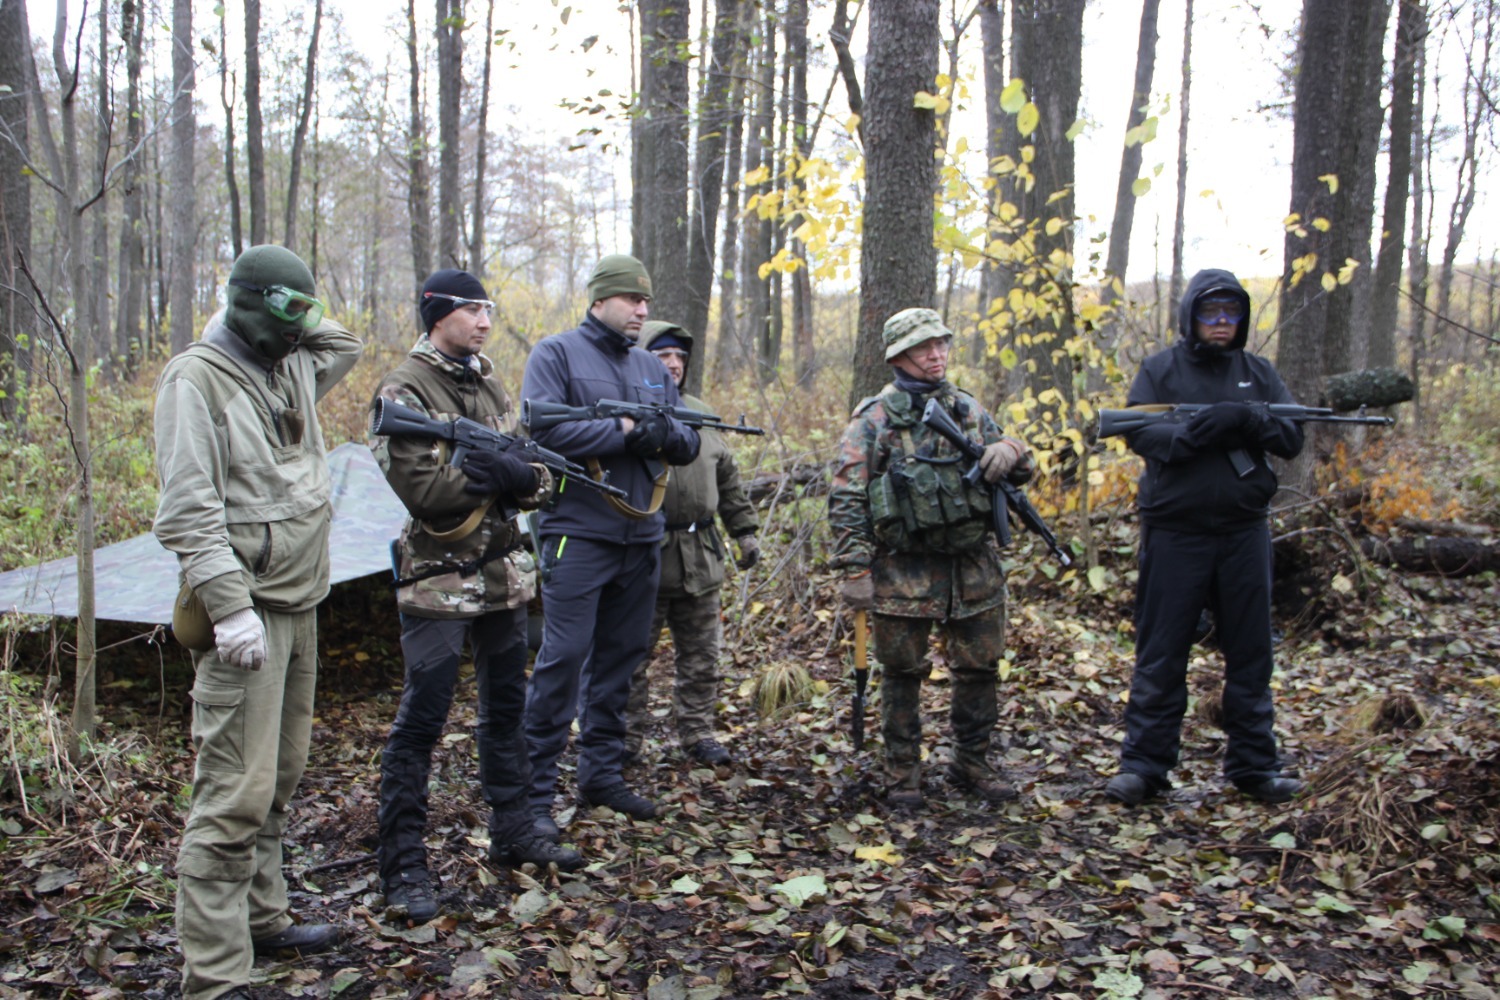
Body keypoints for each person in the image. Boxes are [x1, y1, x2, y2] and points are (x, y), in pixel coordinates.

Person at [153, 245, 362, 1000]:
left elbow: (347, 344)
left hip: (301, 599)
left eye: (306, 311)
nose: (305, 326)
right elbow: (186, 511)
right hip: (248, 613)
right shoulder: (196, 380)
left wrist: (300, 314)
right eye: (288, 310)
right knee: (233, 792)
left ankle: (263, 919)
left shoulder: (296, 362)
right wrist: (229, 607)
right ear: (249, 306)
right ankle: (213, 974)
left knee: (279, 778)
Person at [370, 270, 585, 924]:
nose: (484, 320)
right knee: (424, 715)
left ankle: (515, 824)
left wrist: (520, 475)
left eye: (487, 309)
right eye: (470, 310)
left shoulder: (490, 381)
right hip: (438, 578)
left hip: (502, 575)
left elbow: (539, 478)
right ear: (437, 315)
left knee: (505, 705)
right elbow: (423, 491)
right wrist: (489, 474)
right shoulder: (404, 387)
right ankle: (403, 859)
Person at [1104, 268, 1305, 807]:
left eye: (1231, 313)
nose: (1221, 322)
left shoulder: (1258, 374)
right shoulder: (1160, 370)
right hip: (1176, 533)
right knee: (1162, 651)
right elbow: (1134, 429)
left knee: (1251, 652)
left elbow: (1291, 436)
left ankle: (1255, 766)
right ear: (1191, 315)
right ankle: (1144, 767)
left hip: (1243, 533)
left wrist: (1245, 420)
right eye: (1211, 312)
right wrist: (1192, 434)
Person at [520, 255, 700, 836]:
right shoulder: (556, 354)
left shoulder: (651, 365)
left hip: (641, 534)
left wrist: (662, 432)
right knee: (564, 659)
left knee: (622, 660)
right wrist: (625, 432)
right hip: (578, 532)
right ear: (599, 300)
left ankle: (601, 773)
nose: (642, 311)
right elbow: (545, 430)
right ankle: (533, 796)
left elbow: (687, 440)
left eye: (645, 302)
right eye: (631, 301)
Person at [828, 308, 1034, 809]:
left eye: (941, 344)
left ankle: (972, 761)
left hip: (972, 567)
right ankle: (902, 772)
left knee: (981, 668)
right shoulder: (875, 418)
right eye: (924, 348)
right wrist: (855, 570)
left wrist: (1011, 449)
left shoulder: (966, 409)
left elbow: (1018, 467)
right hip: (904, 569)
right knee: (901, 673)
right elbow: (847, 496)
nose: (936, 354)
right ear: (899, 357)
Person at [624, 321, 760, 767]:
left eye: (680, 357)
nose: (674, 364)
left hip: (700, 555)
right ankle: (623, 741)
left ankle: (698, 733)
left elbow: (729, 479)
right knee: (630, 658)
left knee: (703, 656)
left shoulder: (701, 413)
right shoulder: (623, 413)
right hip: (643, 556)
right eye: (663, 357)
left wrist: (745, 531)